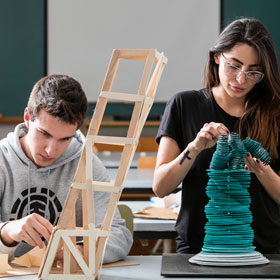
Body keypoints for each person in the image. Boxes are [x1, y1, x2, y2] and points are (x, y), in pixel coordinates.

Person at [153, 18, 280, 254]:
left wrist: (263, 171)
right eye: (234, 66)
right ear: (216, 57)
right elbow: (160, 187)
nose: (241, 79)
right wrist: (194, 148)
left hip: (263, 251)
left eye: (254, 72)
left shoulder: (275, 113)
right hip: (198, 250)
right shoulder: (184, 105)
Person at [0, 74, 133, 263]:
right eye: (44, 134)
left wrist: (83, 251)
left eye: (65, 139)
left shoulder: (87, 164)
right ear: (28, 118)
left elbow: (119, 234)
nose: (51, 150)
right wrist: (6, 232)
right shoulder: (2, 159)